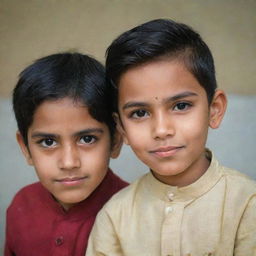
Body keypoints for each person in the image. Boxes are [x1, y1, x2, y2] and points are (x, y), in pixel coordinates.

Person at [86, 19, 256, 255]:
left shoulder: (248, 204)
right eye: (140, 113)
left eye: (181, 105)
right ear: (121, 128)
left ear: (214, 109)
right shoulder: (115, 217)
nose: (161, 130)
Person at [4, 52, 128, 256]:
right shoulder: (21, 206)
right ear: (25, 148)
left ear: (115, 140)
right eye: (48, 142)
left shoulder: (136, 214)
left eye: (87, 139)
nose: (69, 162)